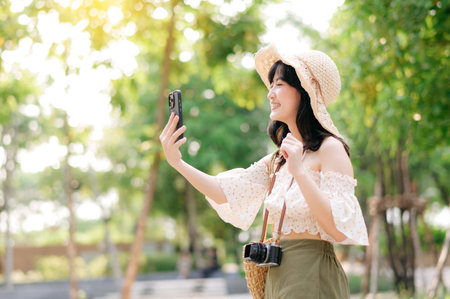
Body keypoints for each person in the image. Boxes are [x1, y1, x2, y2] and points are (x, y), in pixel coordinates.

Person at [159, 43, 369, 298]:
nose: (270, 93)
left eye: (279, 84)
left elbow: (337, 229)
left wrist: (300, 173)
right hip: (276, 274)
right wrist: (177, 162)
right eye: (271, 85)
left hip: (312, 275)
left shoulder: (330, 149)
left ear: (304, 91)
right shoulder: (278, 159)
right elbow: (224, 191)